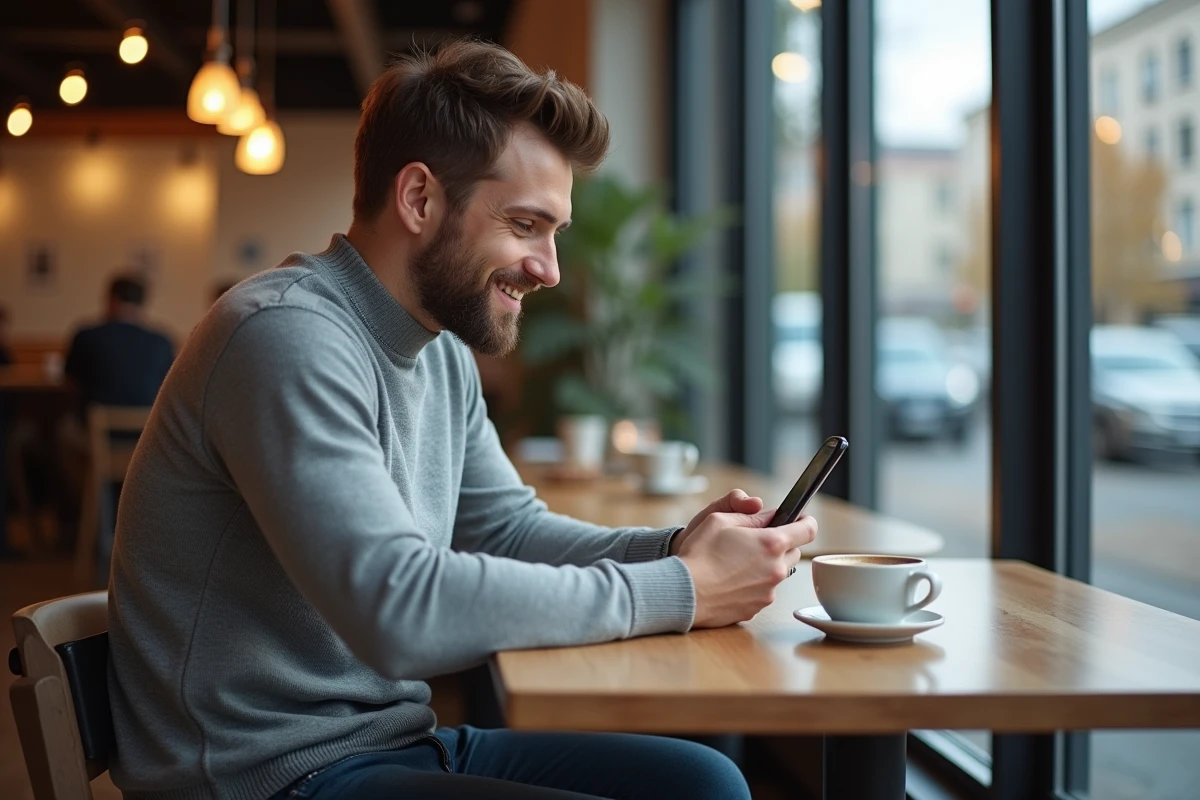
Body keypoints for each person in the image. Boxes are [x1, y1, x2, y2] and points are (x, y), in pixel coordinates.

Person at [107, 40, 818, 800]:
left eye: (555, 233)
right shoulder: (283, 336)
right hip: (266, 776)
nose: (548, 267)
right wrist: (681, 588)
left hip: (389, 743)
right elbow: (397, 608)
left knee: (703, 782)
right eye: (523, 224)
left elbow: (507, 531)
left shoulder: (438, 352)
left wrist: (680, 548)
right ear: (419, 199)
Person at [63, 274, 174, 411]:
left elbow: (71, 381)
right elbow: (169, 386)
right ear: (142, 304)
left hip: (98, 425)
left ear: (112, 300)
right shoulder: (161, 341)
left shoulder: (87, 337)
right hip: (148, 426)